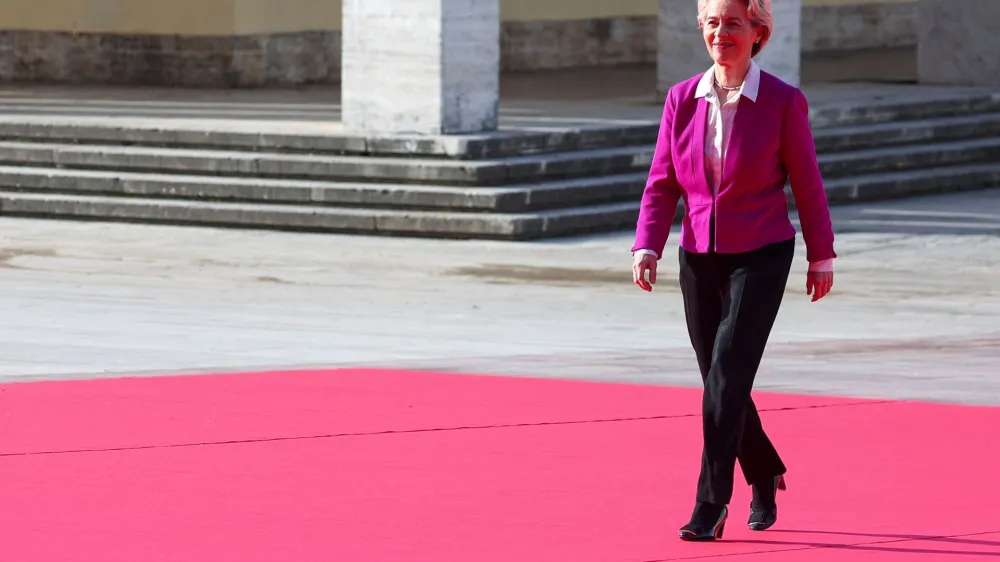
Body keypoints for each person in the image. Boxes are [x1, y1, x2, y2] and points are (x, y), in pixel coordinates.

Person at [630, 0, 837, 542]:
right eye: (713, 22)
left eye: (735, 23)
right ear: (703, 29)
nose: (722, 32)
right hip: (698, 255)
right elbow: (661, 182)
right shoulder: (682, 99)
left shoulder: (783, 102)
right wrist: (646, 244)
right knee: (720, 379)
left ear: (758, 32)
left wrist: (822, 253)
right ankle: (765, 467)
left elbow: (807, 182)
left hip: (762, 254)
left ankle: (710, 503)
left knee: (725, 374)